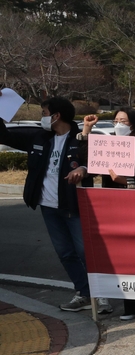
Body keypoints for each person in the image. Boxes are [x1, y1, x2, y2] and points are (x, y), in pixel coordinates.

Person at [0, 97, 111, 314]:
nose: (41, 117)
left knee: (85, 251)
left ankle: (102, 296)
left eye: (43, 112)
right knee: (65, 253)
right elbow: (5, 136)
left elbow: (101, 163)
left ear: (56, 116)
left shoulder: (80, 138)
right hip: (48, 206)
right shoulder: (39, 137)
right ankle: (84, 293)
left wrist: (85, 169)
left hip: (74, 205)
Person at [83, 109, 135, 322]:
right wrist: (87, 130)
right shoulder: (109, 143)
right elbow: (89, 159)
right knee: (123, 257)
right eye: (116, 120)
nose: (119, 124)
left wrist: (125, 181)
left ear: (133, 124)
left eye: (124, 121)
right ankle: (130, 305)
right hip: (115, 208)